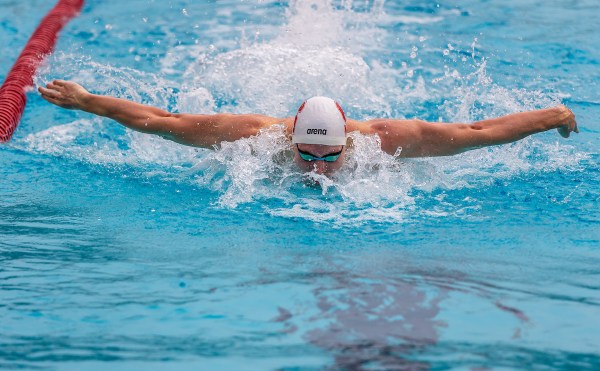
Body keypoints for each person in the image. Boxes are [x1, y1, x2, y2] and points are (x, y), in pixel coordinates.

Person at [38, 80, 579, 177]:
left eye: (329, 157)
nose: (318, 168)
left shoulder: (388, 139)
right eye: (307, 156)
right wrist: (88, 103)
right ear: (288, 138)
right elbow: (162, 122)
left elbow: (479, 132)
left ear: (349, 141)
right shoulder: (252, 134)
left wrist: (550, 117)